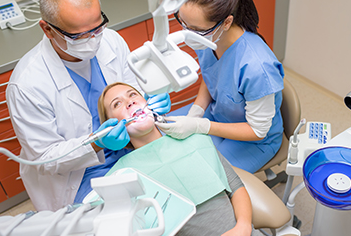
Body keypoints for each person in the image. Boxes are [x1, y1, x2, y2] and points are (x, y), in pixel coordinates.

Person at [5, 0, 171, 211]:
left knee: (169, 192)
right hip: (80, 174)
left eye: (97, 27)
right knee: (125, 215)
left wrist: (149, 101)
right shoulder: (26, 85)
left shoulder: (111, 40)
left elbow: (132, 91)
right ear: (48, 30)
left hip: (132, 148)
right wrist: (96, 143)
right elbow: (45, 159)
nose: (93, 39)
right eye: (78, 35)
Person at [94, 82, 262, 236]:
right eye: (117, 104)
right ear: (111, 127)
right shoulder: (122, 177)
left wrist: (244, 226)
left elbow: (236, 187)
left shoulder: (195, 138)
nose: (129, 102)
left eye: (132, 95)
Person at [156, 0, 285, 173]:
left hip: (255, 140)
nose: (187, 34)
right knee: (163, 138)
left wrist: (200, 125)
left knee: (200, 173)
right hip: (218, 114)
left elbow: (258, 131)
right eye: (182, 22)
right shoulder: (207, 36)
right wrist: (196, 111)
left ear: (226, 22)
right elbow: (213, 75)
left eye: (196, 29)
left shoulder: (257, 67)